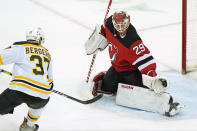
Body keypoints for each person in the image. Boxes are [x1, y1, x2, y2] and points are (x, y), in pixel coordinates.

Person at [84, 11, 183, 116]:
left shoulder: (132, 41)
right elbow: (103, 30)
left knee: (141, 94)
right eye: (118, 25)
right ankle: (108, 77)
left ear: (128, 22)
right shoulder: (108, 24)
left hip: (130, 71)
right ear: (113, 23)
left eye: (123, 25)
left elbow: (146, 61)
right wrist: (99, 37)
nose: (121, 28)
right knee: (106, 89)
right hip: (116, 67)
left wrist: (152, 76)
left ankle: (167, 103)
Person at [0, 27, 53, 131]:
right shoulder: (48, 54)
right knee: (40, 104)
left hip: (20, 90)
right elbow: (50, 80)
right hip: (42, 93)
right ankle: (29, 126)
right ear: (39, 39)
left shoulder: (21, 47)